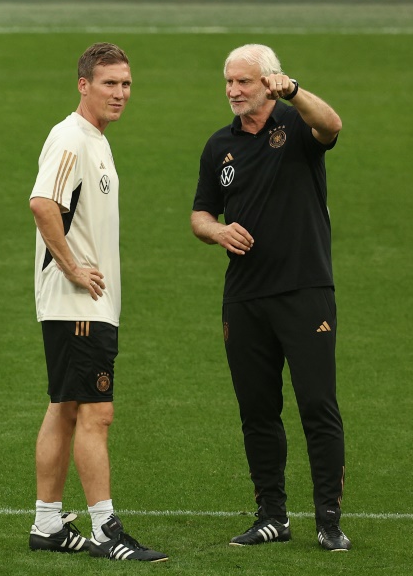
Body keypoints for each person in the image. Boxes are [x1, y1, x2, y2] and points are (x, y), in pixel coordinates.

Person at [190, 43, 351, 552]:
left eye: (243, 82)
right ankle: (272, 516)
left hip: (305, 291)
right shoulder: (220, 146)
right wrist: (217, 232)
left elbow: (333, 126)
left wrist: (298, 92)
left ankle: (328, 520)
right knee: (257, 410)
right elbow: (200, 214)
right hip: (244, 297)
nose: (233, 91)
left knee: (317, 406)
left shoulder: (297, 125)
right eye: (228, 83)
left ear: (269, 81)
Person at [27, 42, 167, 563]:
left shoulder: (96, 141)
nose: (120, 93)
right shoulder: (71, 139)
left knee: (65, 408)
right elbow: (43, 204)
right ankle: (106, 528)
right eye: (110, 83)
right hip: (77, 305)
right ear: (83, 84)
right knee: (96, 414)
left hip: (83, 306)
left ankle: (47, 524)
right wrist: (71, 267)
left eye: (126, 84)